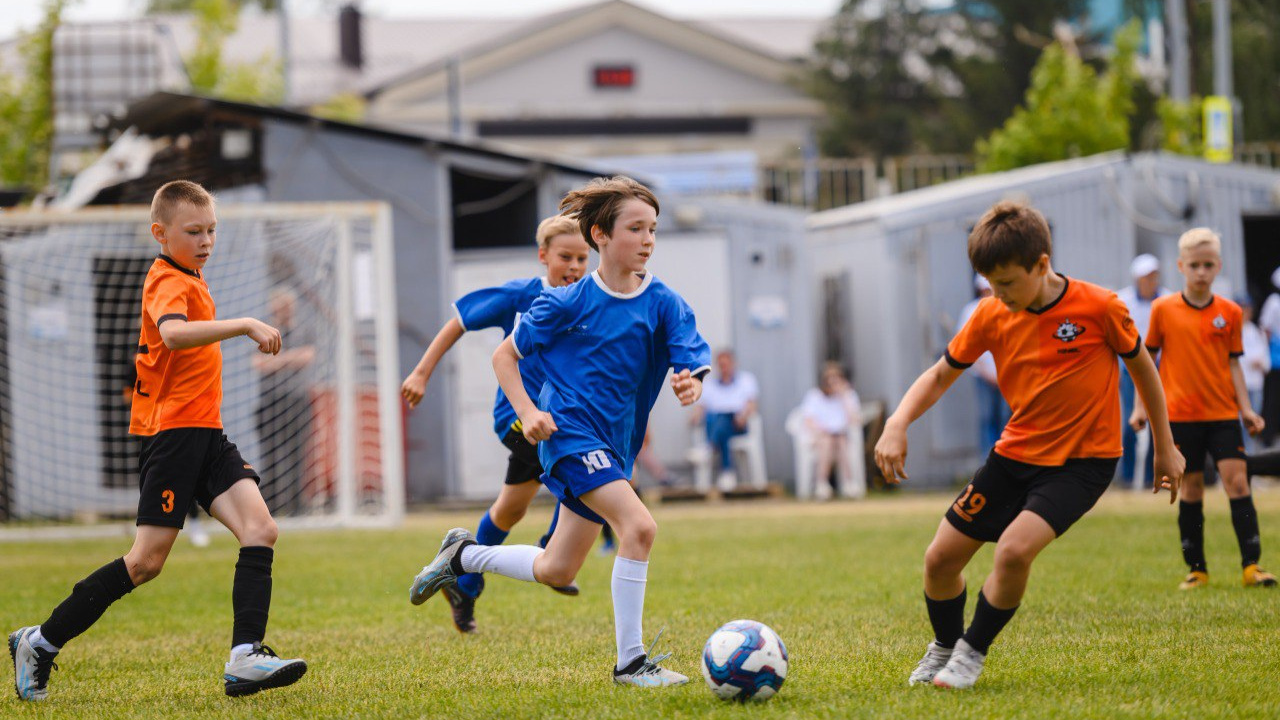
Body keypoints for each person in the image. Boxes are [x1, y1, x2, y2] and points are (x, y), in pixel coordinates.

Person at [8, 180, 306, 701]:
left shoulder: (192, 274)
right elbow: (171, 333)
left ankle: (245, 658)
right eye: (194, 231)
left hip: (207, 434)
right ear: (160, 233)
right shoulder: (168, 278)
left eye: (212, 229)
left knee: (260, 528)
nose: (206, 239)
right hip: (172, 437)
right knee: (144, 563)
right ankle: (40, 641)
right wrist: (243, 324)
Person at [410, 176, 711, 688]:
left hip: (615, 447)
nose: (647, 239)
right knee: (639, 528)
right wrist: (528, 412)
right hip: (569, 437)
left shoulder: (664, 302)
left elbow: (690, 360)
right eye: (635, 228)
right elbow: (504, 356)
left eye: (652, 229)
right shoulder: (566, 303)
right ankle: (631, 664)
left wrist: (690, 384)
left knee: (558, 569)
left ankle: (463, 555)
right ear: (600, 234)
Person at [874, 200, 1183, 691]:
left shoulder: (1100, 306)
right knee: (940, 560)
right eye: (991, 285)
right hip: (1015, 454)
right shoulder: (990, 314)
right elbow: (938, 377)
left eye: (1007, 283)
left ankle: (971, 654)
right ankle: (945, 646)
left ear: (1042, 264)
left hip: (1084, 462)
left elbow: (1143, 366)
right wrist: (897, 423)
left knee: (1014, 552)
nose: (999, 294)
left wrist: (1166, 447)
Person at [400, 214, 592, 633]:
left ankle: (463, 582)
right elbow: (459, 322)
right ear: (544, 256)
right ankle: (552, 550)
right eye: (565, 257)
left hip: (560, 421)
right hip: (517, 418)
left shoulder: (590, 304)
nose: (575, 266)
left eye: (582, 258)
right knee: (583, 471)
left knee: (510, 510)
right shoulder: (520, 296)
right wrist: (421, 372)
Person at [1134, 227, 1275, 591]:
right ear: (1181, 266)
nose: (1201, 271)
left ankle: (1252, 566)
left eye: (1208, 264)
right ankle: (1197, 569)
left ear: (1218, 267)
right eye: (1194, 264)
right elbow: (1146, 363)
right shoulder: (1163, 309)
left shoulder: (1228, 312)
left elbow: (1233, 365)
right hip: (1179, 417)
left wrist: (1245, 408)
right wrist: (1140, 410)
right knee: (1192, 488)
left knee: (1237, 481)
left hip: (1223, 415)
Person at [252, 288, 316, 516]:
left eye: (288, 306)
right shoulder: (262, 331)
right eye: (280, 306)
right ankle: (272, 504)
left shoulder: (303, 329)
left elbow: (307, 357)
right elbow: (260, 364)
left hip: (297, 399)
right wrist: (291, 358)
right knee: (270, 453)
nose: (285, 310)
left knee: (297, 452)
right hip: (270, 400)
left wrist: (279, 359)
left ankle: (298, 506)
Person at [1116, 254, 1170, 487]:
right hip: (1131, 369)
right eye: (1146, 277)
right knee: (1131, 421)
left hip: (1161, 367)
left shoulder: (1167, 299)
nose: (1151, 281)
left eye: (1153, 276)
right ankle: (1127, 477)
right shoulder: (1123, 299)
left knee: (1160, 422)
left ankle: (1153, 476)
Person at [956, 274, 1009, 459]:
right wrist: (988, 374)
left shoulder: (1006, 306)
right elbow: (966, 346)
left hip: (1006, 375)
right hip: (984, 376)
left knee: (1006, 418)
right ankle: (988, 460)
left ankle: (1007, 458)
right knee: (987, 418)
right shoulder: (971, 311)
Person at [691, 349, 759, 490]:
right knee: (718, 422)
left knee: (723, 418)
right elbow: (700, 408)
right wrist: (693, 418)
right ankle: (727, 472)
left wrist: (743, 416)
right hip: (717, 425)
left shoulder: (746, 380)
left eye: (726, 364)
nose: (724, 368)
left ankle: (709, 448)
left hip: (738, 424)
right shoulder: (710, 385)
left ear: (733, 364)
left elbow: (752, 405)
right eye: (721, 365)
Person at [800, 362, 862, 500]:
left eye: (836, 378)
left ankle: (848, 483)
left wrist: (844, 396)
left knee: (839, 440)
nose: (833, 382)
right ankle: (822, 484)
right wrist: (821, 430)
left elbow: (854, 419)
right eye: (830, 378)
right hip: (820, 436)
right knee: (827, 440)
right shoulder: (814, 396)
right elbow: (808, 419)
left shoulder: (849, 396)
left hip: (842, 437)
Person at [1239, 294, 1271, 454]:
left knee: (1254, 422)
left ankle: (1249, 456)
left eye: (1247, 309)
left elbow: (1266, 360)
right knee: (1239, 423)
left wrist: (1260, 363)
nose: (1245, 312)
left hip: (1255, 384)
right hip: (1240, 385)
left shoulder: (1257, 331)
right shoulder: (1233, 332)